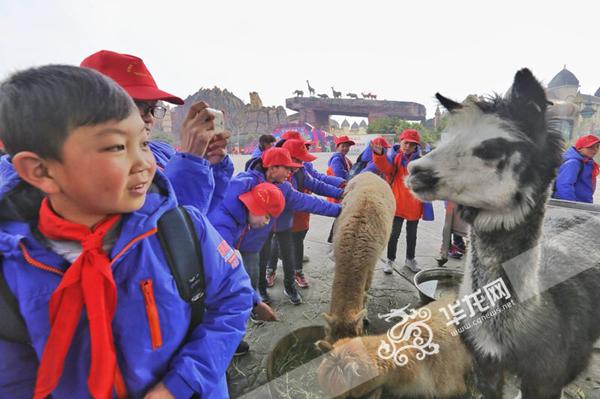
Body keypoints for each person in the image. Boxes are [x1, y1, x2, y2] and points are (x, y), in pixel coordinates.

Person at [0, 65, 253, 398]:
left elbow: (234, 296)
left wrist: (181, 384)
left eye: (144, 143)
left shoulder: (183, 228)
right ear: (41, 170)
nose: (145, 164)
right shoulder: (14, 266)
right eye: (117, 147)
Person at [81, 50, 233, 214]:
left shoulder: (161, 151)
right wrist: (190, 161)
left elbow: (203, 215)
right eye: (137, 106)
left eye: (154, 109)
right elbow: (166, 230)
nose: (150, 118)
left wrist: (210, 164)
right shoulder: (82, 174)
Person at [243, 148, 341, 305]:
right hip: (258, 233)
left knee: (289, 257)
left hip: (284, 226)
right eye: (287, 168)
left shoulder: (285, 186)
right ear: (273, 167)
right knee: (260, 261)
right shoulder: (247, 182)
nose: (290, 172)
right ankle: (260, 292)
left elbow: (309, 201)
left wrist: (340, 210)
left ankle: (290, 287)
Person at [263, 140, 343, 291]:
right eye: (297, 160)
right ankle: (268, 273)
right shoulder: (258, 180)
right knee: (272, 247)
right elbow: (306, 200)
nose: (301, 164)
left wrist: (340, 192)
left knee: (294, 246)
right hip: (270, 224)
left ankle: (294, 276)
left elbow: (316, 186)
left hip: (295, 218)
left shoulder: (298, 171)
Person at [372, 129, 425, 273]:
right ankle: (390, 260)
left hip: (415, 203)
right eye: (406, 142)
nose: (408, 146)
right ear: (400, 142)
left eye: (412, 144)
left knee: (412, 235)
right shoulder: (394, 157)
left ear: (416, 146)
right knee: (393, 234)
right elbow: (386, 169)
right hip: (397, 203)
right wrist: (379, 154)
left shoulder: (421, 161)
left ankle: (410, 259)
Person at [553, 134, 599, 203]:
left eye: (597, 147)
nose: (595, 150)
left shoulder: (587, 162)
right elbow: (564, 185)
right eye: (590, 147)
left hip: (582, 205)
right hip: (573, 207)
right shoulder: (573, 163)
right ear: (580, 148)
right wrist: (571, 206)